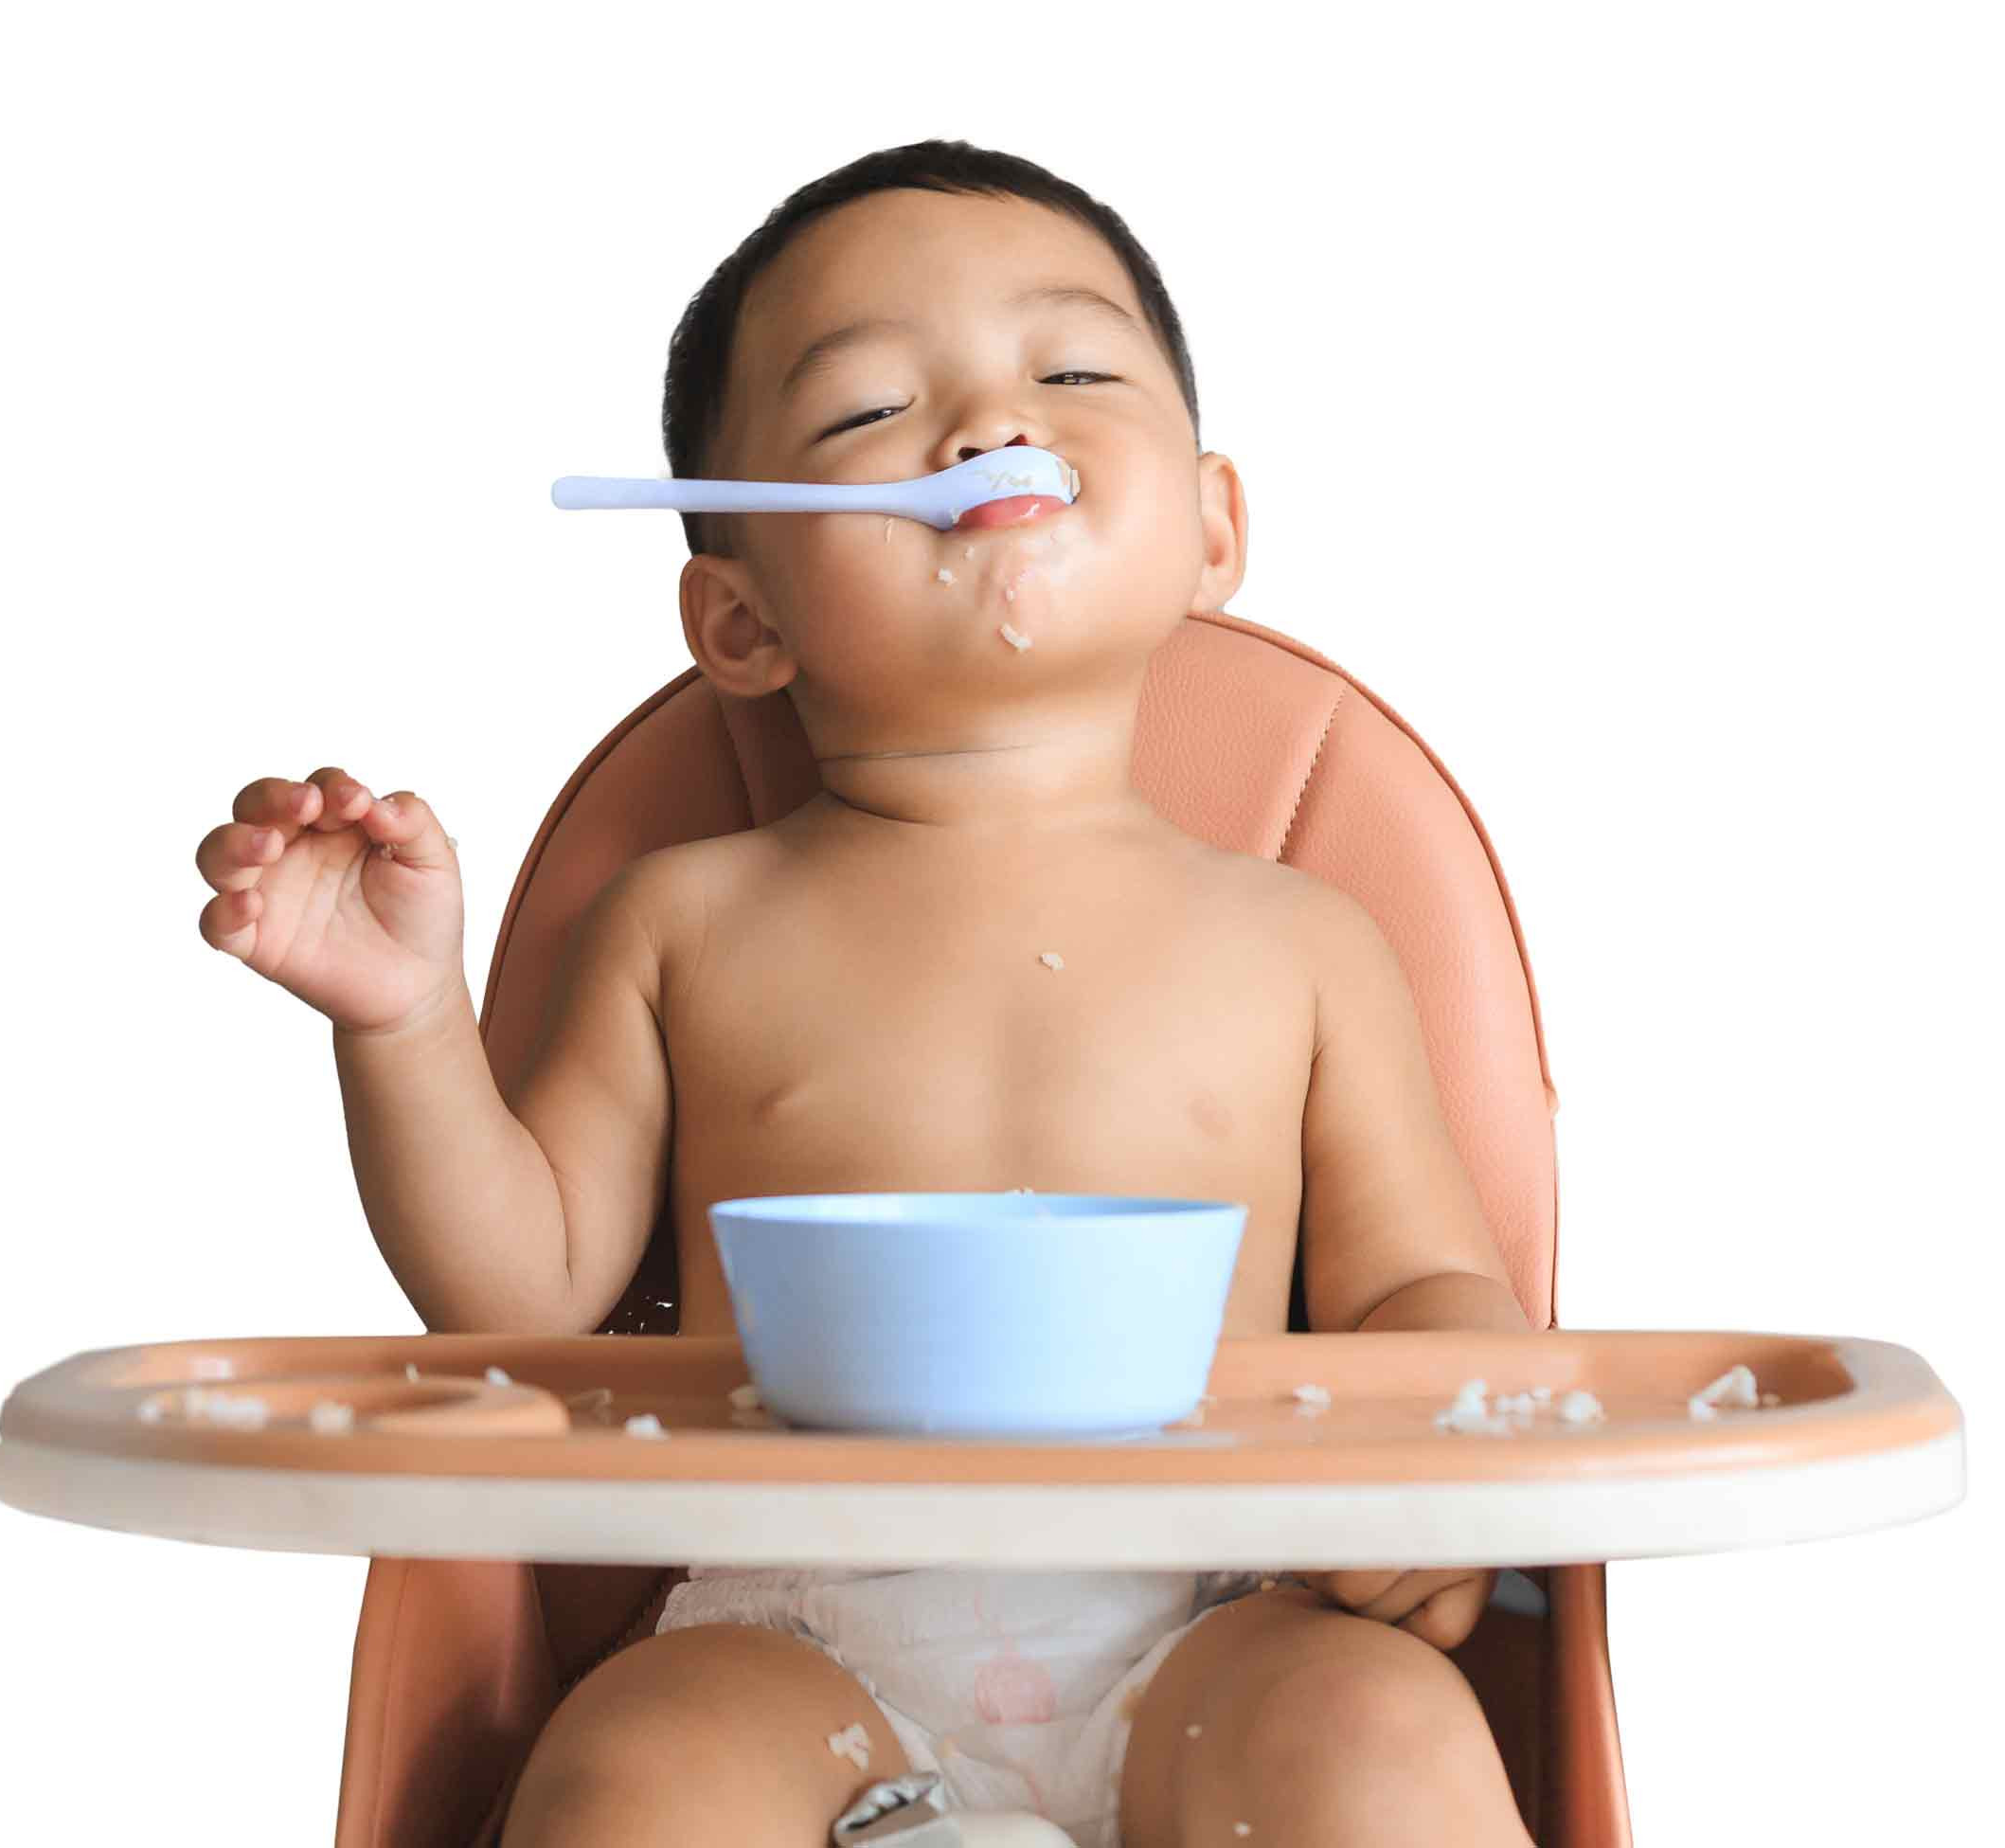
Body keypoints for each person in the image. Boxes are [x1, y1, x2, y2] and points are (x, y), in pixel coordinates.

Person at [192, 138, 1534, 1848]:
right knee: (636, 1773)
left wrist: (1436, 1483)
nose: (985, 426)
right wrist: (402, 1021)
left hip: (1225, 1604)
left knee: (1380, 1735)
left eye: (1068, 370)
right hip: (793, 1623)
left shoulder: (1303, 938)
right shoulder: (681, 920)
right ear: (739, 615)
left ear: (1210, 527)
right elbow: (515, 1287)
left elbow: (1427, 1284)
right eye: (865, 414)